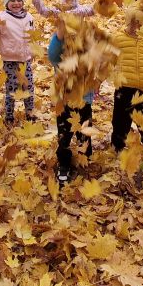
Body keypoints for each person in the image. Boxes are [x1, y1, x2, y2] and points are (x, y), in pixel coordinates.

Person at [110, 11, 143, 152]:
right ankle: (118, 146)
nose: (137, 26)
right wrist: (97, 79)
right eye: (134, 22)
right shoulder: (118, 39)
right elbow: (108, 61)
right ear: (128, 21)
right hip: (124, 90)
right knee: (120, 122)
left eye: (141, 23)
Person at [48, 20, 93, 186]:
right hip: (64, 101)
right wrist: (60, 33)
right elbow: (51, 54)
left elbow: (98, 67)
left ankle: (84, 158)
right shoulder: (60, 54)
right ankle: (64, 163)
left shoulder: (87, 51)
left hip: (84, 100)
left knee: (85, 131)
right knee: (64, 134)